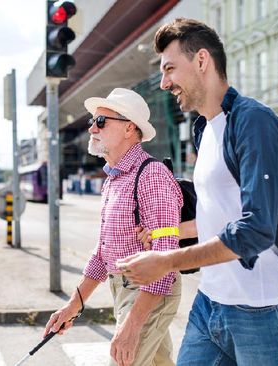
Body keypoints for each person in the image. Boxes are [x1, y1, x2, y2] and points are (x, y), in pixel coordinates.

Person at [117, 18, 278, 365]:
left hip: (260, 312)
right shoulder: (205, 128)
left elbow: (255, 230)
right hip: (210, 303)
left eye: (169, 69)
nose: (164, 82)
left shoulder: (254, 122)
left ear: (201, 61)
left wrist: (165, 261)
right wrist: (166, 233)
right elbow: (221, 215)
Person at [43, 88, 184, 366]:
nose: (92, 128)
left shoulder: (151, 175)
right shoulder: (113, 179)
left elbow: (165, 259)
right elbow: (103, 252)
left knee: (122, 360)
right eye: (92, 121)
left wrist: (131, 327)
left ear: (130, 128)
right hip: (124, 289)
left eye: (102, 121)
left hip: (148, 291)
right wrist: (74, 305)